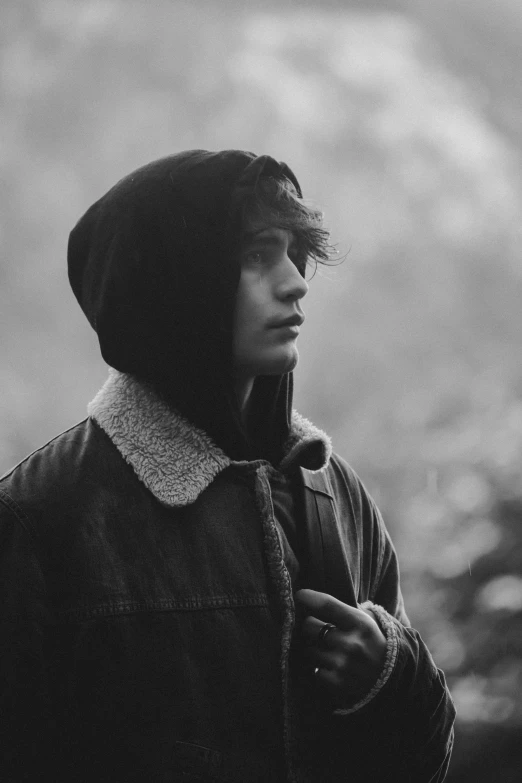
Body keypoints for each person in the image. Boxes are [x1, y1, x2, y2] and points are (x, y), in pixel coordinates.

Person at [0, 150, 455, 782]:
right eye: (256, 255)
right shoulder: (38, 518)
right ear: (173, 282)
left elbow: (418, 771)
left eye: (294, 251)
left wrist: (392, 677)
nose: (295, 280)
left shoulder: (333, 489)